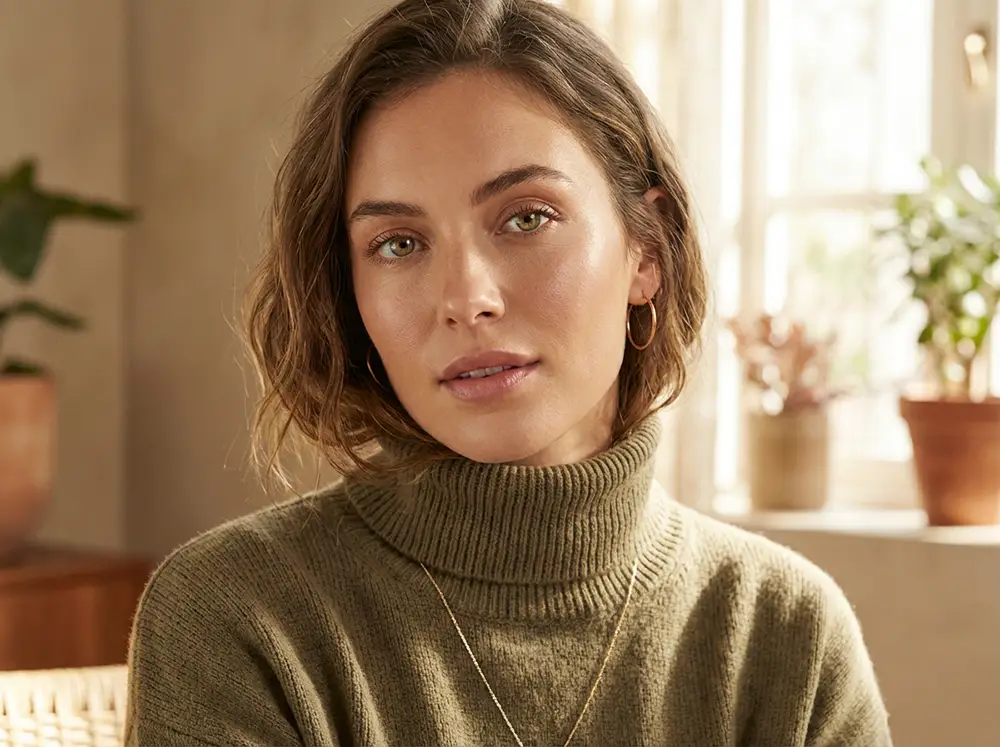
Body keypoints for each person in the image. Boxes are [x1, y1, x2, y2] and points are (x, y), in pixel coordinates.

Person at [124, 0, 892, 744]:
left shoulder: (787, 638)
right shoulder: (235, 615)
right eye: (398, 243)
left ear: (646, 249)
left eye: (527, 218)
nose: (466, 299)